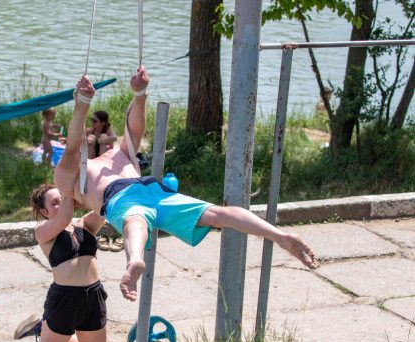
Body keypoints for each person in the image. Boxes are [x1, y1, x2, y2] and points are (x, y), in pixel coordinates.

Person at [54, 67, 318, 302]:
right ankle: (280, 236)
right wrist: (131, 96)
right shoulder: (82, 176)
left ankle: (135, 259)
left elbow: (80, 143)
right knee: (217, 213)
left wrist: (135, 95)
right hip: (151, 189)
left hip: (126, 197)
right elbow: (99, 140)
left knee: (134, 220)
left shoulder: (74, 178)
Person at [14, 184, 108, 342]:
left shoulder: (85, 224)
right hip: (65, 299)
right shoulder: (43, 232)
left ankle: (43, 328)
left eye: (63, 198)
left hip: (93, 297)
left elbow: (105, 207)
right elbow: (65, 216)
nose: (64, 203)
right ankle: (45, 329)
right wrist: (69, 191)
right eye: (56, 202)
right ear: (44, 211)